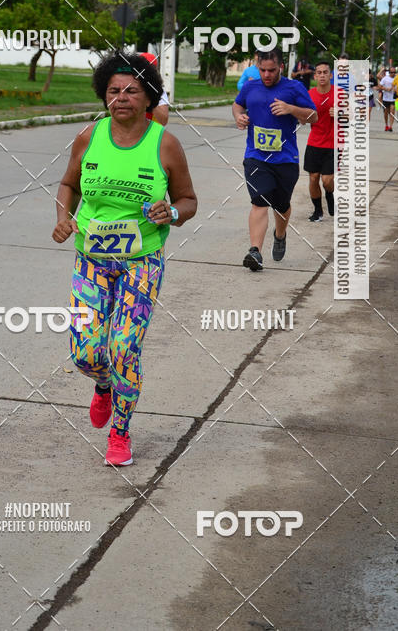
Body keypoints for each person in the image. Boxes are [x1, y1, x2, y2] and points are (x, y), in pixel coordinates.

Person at [52, 51, 197, 467]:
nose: (122, 98)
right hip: (92, 261)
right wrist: (64, 218)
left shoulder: (165, 144)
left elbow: (188, 200)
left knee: (123, 348)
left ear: (149, 97)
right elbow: (67, 184)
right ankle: (103, 387)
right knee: (85, 353)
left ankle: (120, 432)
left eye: (132, 90)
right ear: (104, 96)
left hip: (141, 262)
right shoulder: (89, 137)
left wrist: (170, 212)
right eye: (114, 91)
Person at [232, 47, 317, 271]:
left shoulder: (294, 87)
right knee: (259, 200)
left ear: (280, 66)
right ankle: (255, 252)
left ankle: (280, 234)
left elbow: (313, 116)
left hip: (286, 159)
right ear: (257, 66)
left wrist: (291, 109)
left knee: (281, 205)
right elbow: (238, 103)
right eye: (263, 70)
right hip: (256, 157)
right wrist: (238, 116)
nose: (267, 75)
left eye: (271, 70)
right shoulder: (250, 86)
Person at [303, 60, 335, 221]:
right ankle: (318, 211)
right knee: (313, 177)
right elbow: (303, 117)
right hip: (314, 142)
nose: (322, 75)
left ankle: (330, 194)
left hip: (333, 144)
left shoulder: (340, 94)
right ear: (315, 76)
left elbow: (354, 116)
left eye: (325, 72)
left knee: (327, 180)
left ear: (330, 75)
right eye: (319, 72)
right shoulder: (310, 95)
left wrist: (341, 114)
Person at [139, 52, 169, 125]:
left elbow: (163, 121)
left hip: (150, 132)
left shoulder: (159, 91)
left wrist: (151, 95)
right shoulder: (127, 87)